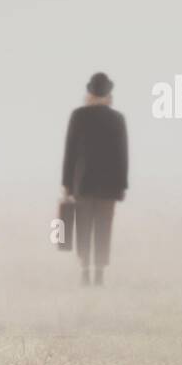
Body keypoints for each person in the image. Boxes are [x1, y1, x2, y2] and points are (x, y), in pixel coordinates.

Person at [62, 72, 128, 286]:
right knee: (103, 228)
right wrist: (123, 185)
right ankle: (99, 273)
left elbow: (70, 152)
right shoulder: (117, 119)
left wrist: (66, 183)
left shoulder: (78, 116)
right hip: (109, 186)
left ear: (89, 92)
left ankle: (84, 271)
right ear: (109, 94)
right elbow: (122, 154)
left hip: (82, 183)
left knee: (83, 227)